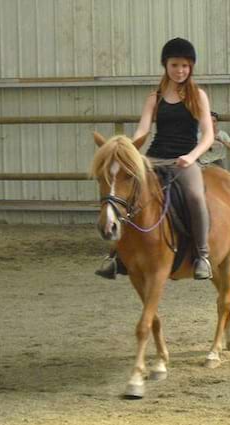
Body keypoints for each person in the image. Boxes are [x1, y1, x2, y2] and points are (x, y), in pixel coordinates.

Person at [95, 37, 215, 280]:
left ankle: (202, 255)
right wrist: (127, 148)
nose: (180, 70)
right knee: (131, 196)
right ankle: (116, 255)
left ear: (191, 67)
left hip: (185, 161)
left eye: (184, 65)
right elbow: (142, 131)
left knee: (194, 196)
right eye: (174, 65)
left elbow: (208, 135)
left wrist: (191, 157)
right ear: (166, 66)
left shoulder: (198, 96)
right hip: (155, 157)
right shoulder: (155, 97)